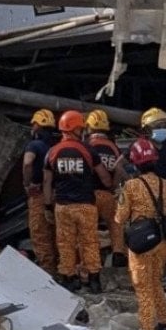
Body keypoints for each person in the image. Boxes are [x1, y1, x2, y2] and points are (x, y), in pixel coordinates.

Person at [115, 138, 166, 330]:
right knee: (155, 282)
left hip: (142, 242)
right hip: (162, 242)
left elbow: (120, 217)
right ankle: (165, 323)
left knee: (143, 288)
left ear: (135, 163)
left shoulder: (131, 186)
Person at [43, 110, 113, 294]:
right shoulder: (87, 150)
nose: (82, 131)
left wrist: (47, 205)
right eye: (80, 128)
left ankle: (69, 279)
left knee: (65, 243)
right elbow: (104, 177)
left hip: (63, 206)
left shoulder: (52, 152)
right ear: (74, 129)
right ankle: (94, 280)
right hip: (86, 205)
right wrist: (110, 187)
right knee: (90, 242)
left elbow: (47, 181)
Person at [86, 109, 126, 268]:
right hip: (108, 195)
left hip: (89, 196)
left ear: (89, 127)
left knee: (88, 230)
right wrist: (113, 187)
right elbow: (119, 170)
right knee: (115, 225)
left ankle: (92, 262)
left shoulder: (88, 146)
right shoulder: (114, 148)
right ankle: (118, 253)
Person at [23, 109, 58, 274]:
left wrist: (27, 183)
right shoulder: (55, 147)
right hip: (55, 195)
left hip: (38, 193)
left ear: (37, 125)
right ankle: (61, 268)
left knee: (40, 233)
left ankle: (48, 270)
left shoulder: (34, 145)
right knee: (56, 232)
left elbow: (27, 163)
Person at [141, 107, 166, 193]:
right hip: (147, 192)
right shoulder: (140, 146)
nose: (162, 130)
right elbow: (120, 165)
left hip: (165, 191)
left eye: (164, 127)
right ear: (147, 129)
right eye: (158, 127)